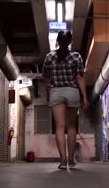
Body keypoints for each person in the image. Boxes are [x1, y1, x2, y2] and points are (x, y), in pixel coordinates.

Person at [42, 30, 89, 170]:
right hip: (72, 91)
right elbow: (80, 77)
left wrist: (49, 93)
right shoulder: (76, 56)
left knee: (59, 127)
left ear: (57, 41)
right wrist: (84, 97)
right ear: (69, 42)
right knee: (71, 127)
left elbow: (47, 79)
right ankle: (71, 159)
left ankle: (63, 161)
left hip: (56, 91)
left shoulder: (49, 57)